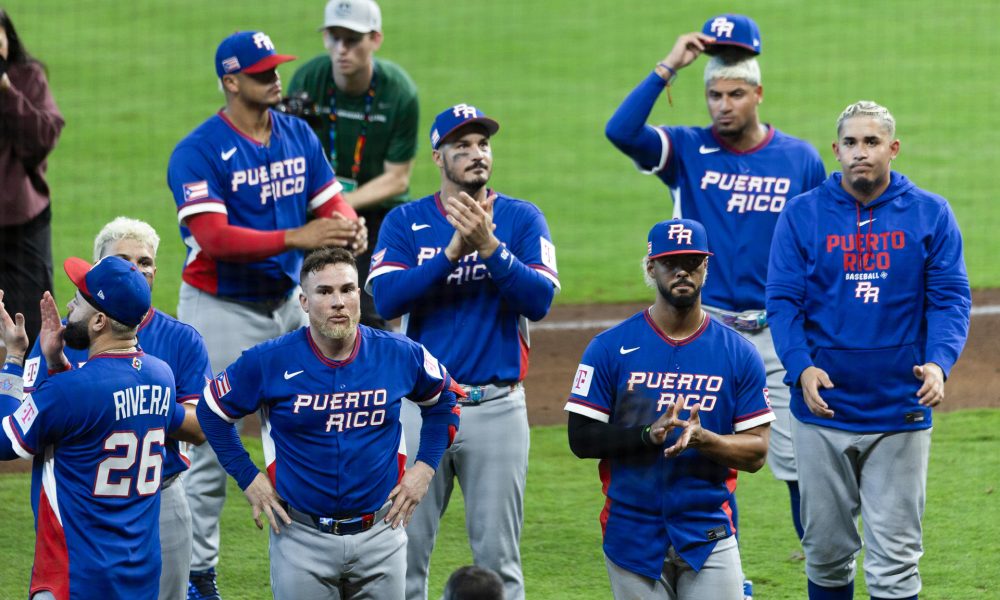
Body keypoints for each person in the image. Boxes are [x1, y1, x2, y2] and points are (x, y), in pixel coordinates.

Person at [604, 13, 826, 545]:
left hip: (779, 333)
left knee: (799, 467)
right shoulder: (685, 150)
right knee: (703, 458)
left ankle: (821, 565)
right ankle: (729, 578)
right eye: (714, 95)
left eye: (735, 94)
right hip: (707, 334)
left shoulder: (800, 159)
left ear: (758, 94)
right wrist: (668, 67)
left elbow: (818, 244)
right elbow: (620, 131)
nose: (723, 106)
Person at [166, 30, 368, 598]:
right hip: (220, 308)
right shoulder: (198, 150)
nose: (275, 78)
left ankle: (324, 550)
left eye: (276, 68)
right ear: (231, 82)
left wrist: (347, 222)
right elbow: (213, 236)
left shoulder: (296, 133)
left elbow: (330, 197)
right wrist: (300, 234)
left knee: (320, 419)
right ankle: (199, 576)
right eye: (261, 73)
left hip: (286, 302)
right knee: (208, 438)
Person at [766, 101, 971, 600]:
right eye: (852, 143)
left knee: (896, 561)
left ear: (893, 149)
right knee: (826, 556)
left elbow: (950, 299)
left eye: (872, 142)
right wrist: (800, 367)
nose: (861, 152)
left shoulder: (930, 214)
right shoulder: (802, 215)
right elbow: (783, 302)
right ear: (835, 151)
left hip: (898, 409)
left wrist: (940, 364)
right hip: (821, 412)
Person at [367, 103, 560, 600]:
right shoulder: (405, 221)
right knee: (402, 550)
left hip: (497, 409)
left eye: (483, 144)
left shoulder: (520, 219)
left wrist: (491, 247)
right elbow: (386, 299)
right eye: (462, 146)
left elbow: (538, 302)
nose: (477, 154)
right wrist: (453, 251)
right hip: (422, 410)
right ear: (438, 156)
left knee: (499, 561)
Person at [196, 247, 460, 599]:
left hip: (382, 532)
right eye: (325, 292)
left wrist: (425, 468)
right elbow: (211, 411)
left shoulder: (399, 353)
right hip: (301, 539)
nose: (338, 301)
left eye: (347, 290)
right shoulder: (268, 361)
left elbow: (446, 399)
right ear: (304, 302)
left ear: (358, 296)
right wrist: (249, 478)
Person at [565, 218, 775, 600]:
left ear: (706, 268)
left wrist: (704, 439)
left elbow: (758, 452)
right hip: (631, 531)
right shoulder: (609, 348)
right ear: (650, 267)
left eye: (693, 262)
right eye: (670, 261)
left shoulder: (738, 353)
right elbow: (580, 439)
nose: (683, 271)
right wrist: (648, 434)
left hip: (708, 530)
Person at [21, 217, 211, 600]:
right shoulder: (65, 334)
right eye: (123, 261)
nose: (135, 270)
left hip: (160, 494)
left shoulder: (181, 339)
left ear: (155, 270)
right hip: (81, 498)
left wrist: (116, 405)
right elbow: (41, 403)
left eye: (143, 262)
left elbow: (201, 427)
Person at [288, 0, 419, 330]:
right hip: (315, 212)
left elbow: (397, 179)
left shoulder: (399, 92)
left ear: (375, 39)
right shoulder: (309, 78)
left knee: (368, 312)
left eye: (352, 39)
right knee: (303, 306)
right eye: (335, 37)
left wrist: (338, 207)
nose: (341, 49)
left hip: (374, 214)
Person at [0, 7, 64, 356]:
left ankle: (28, 406)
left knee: (31, 331)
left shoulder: (27, 78)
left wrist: (6, 90)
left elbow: (40, 141)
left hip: (23, 228)